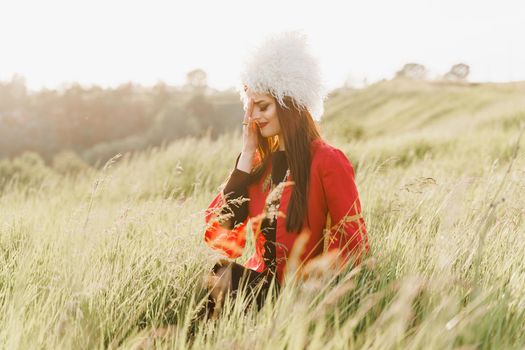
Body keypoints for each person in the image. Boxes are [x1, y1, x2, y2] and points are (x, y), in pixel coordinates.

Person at [200, 31, 369, 320]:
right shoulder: (257, 166)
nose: (253, 116)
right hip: (262, 290)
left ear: (289, 103)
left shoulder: (327, 160)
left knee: (223, 277)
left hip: (304, 298)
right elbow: (220, 237)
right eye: (249, 107)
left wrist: (322, 301)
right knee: (220, 271)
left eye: (262, 106)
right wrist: (245, 157)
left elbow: (353, 244)